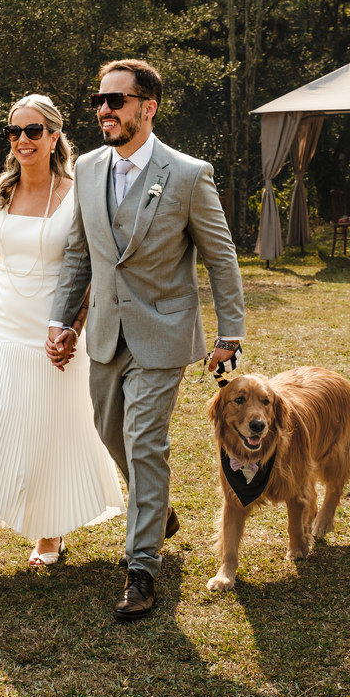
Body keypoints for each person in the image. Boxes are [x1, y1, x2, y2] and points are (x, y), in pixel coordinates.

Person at [46, 59, 246, 620]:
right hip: (106, 333)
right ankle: (156, 512)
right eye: (98, 100)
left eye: (115, 100)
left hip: (165, 331)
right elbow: (79, 254)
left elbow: (220, 256)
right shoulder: (86, 169)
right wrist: (63, 321)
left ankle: (141, 568)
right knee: (110, 431)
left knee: (143, 440)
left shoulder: (187, 174)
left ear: (147, 107)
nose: (104, 110)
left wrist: (230, 331)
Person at [0, 94, 125, 575]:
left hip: (53, 328)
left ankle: (49, 533)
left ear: (55, 136)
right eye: (14, 132)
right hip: (2, 324)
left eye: (33, 131)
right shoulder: (0, 190)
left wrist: (73, 327)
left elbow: (91, 270)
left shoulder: (78, 191)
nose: (22, 140)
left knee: (50, 428)